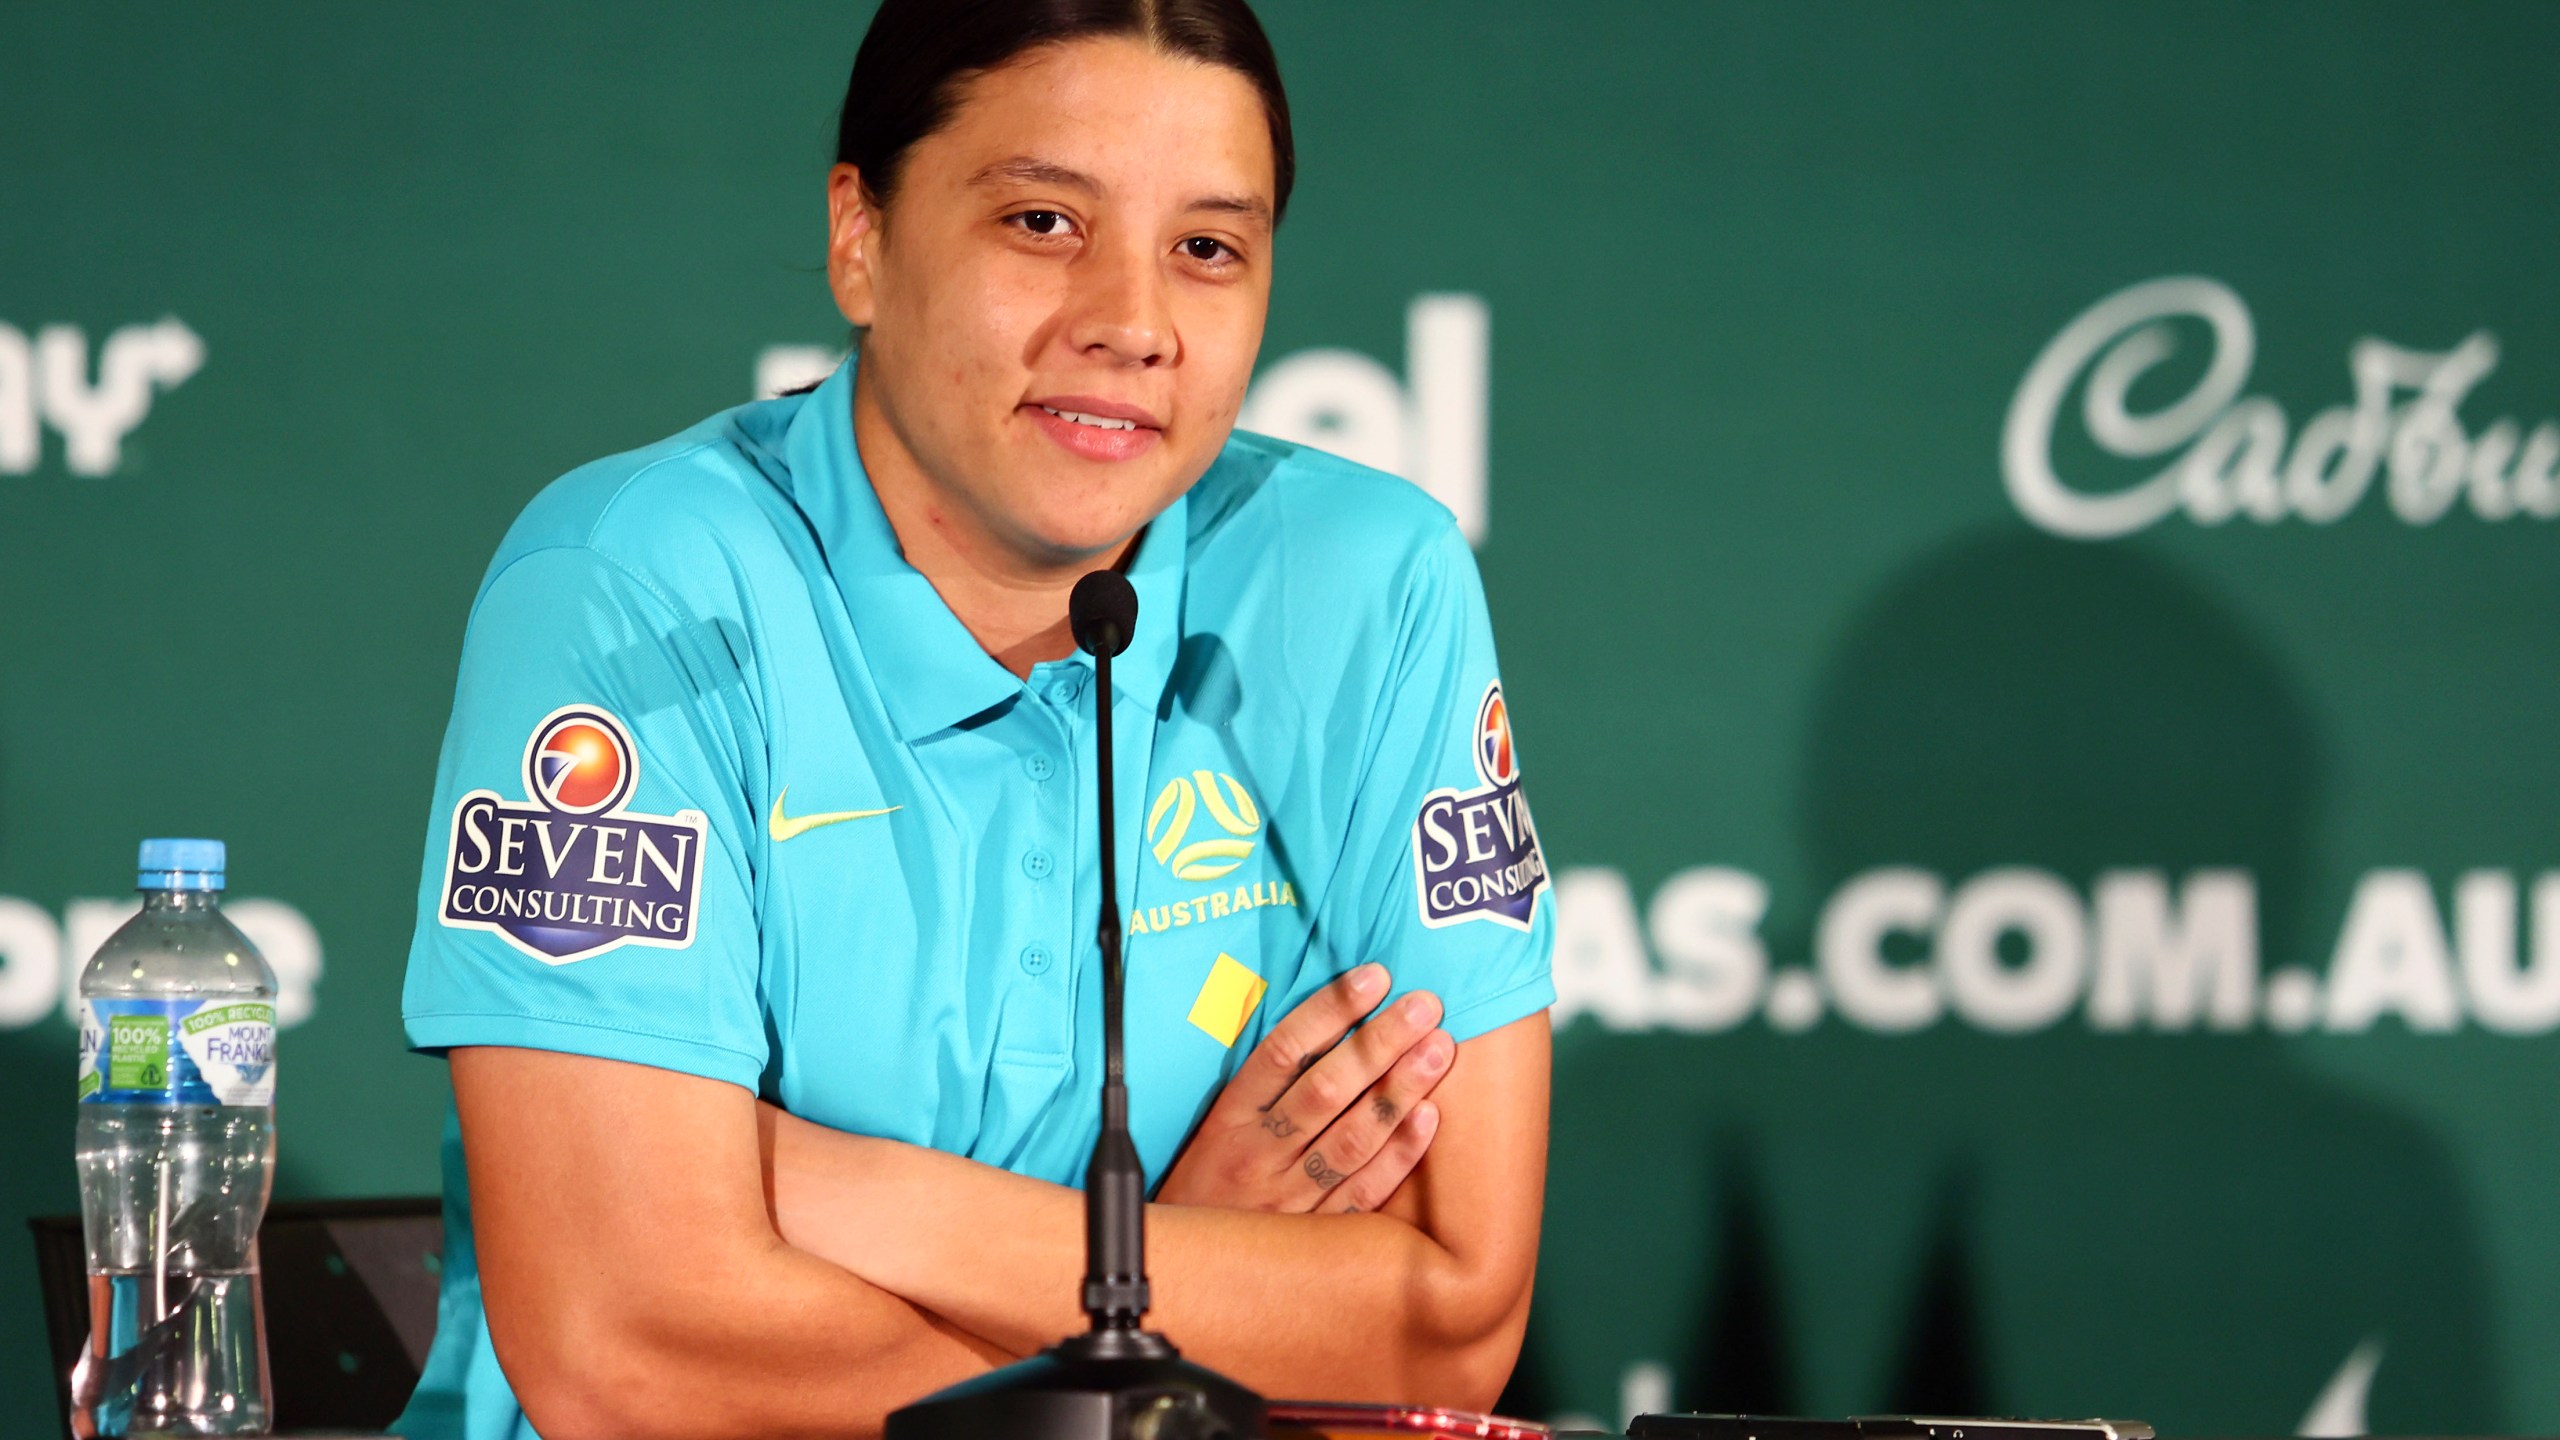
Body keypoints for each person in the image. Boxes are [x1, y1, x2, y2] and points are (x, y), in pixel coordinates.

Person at [395, 2, 1556, 1436]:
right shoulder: (637, 583)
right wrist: (1152, 1322)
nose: (1131, 324)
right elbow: (630, 1349)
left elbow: (1442, 1327)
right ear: (860, 238)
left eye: (1207, 248)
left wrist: (829, 1187)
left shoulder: (1370, 581)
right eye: (1044, 223)